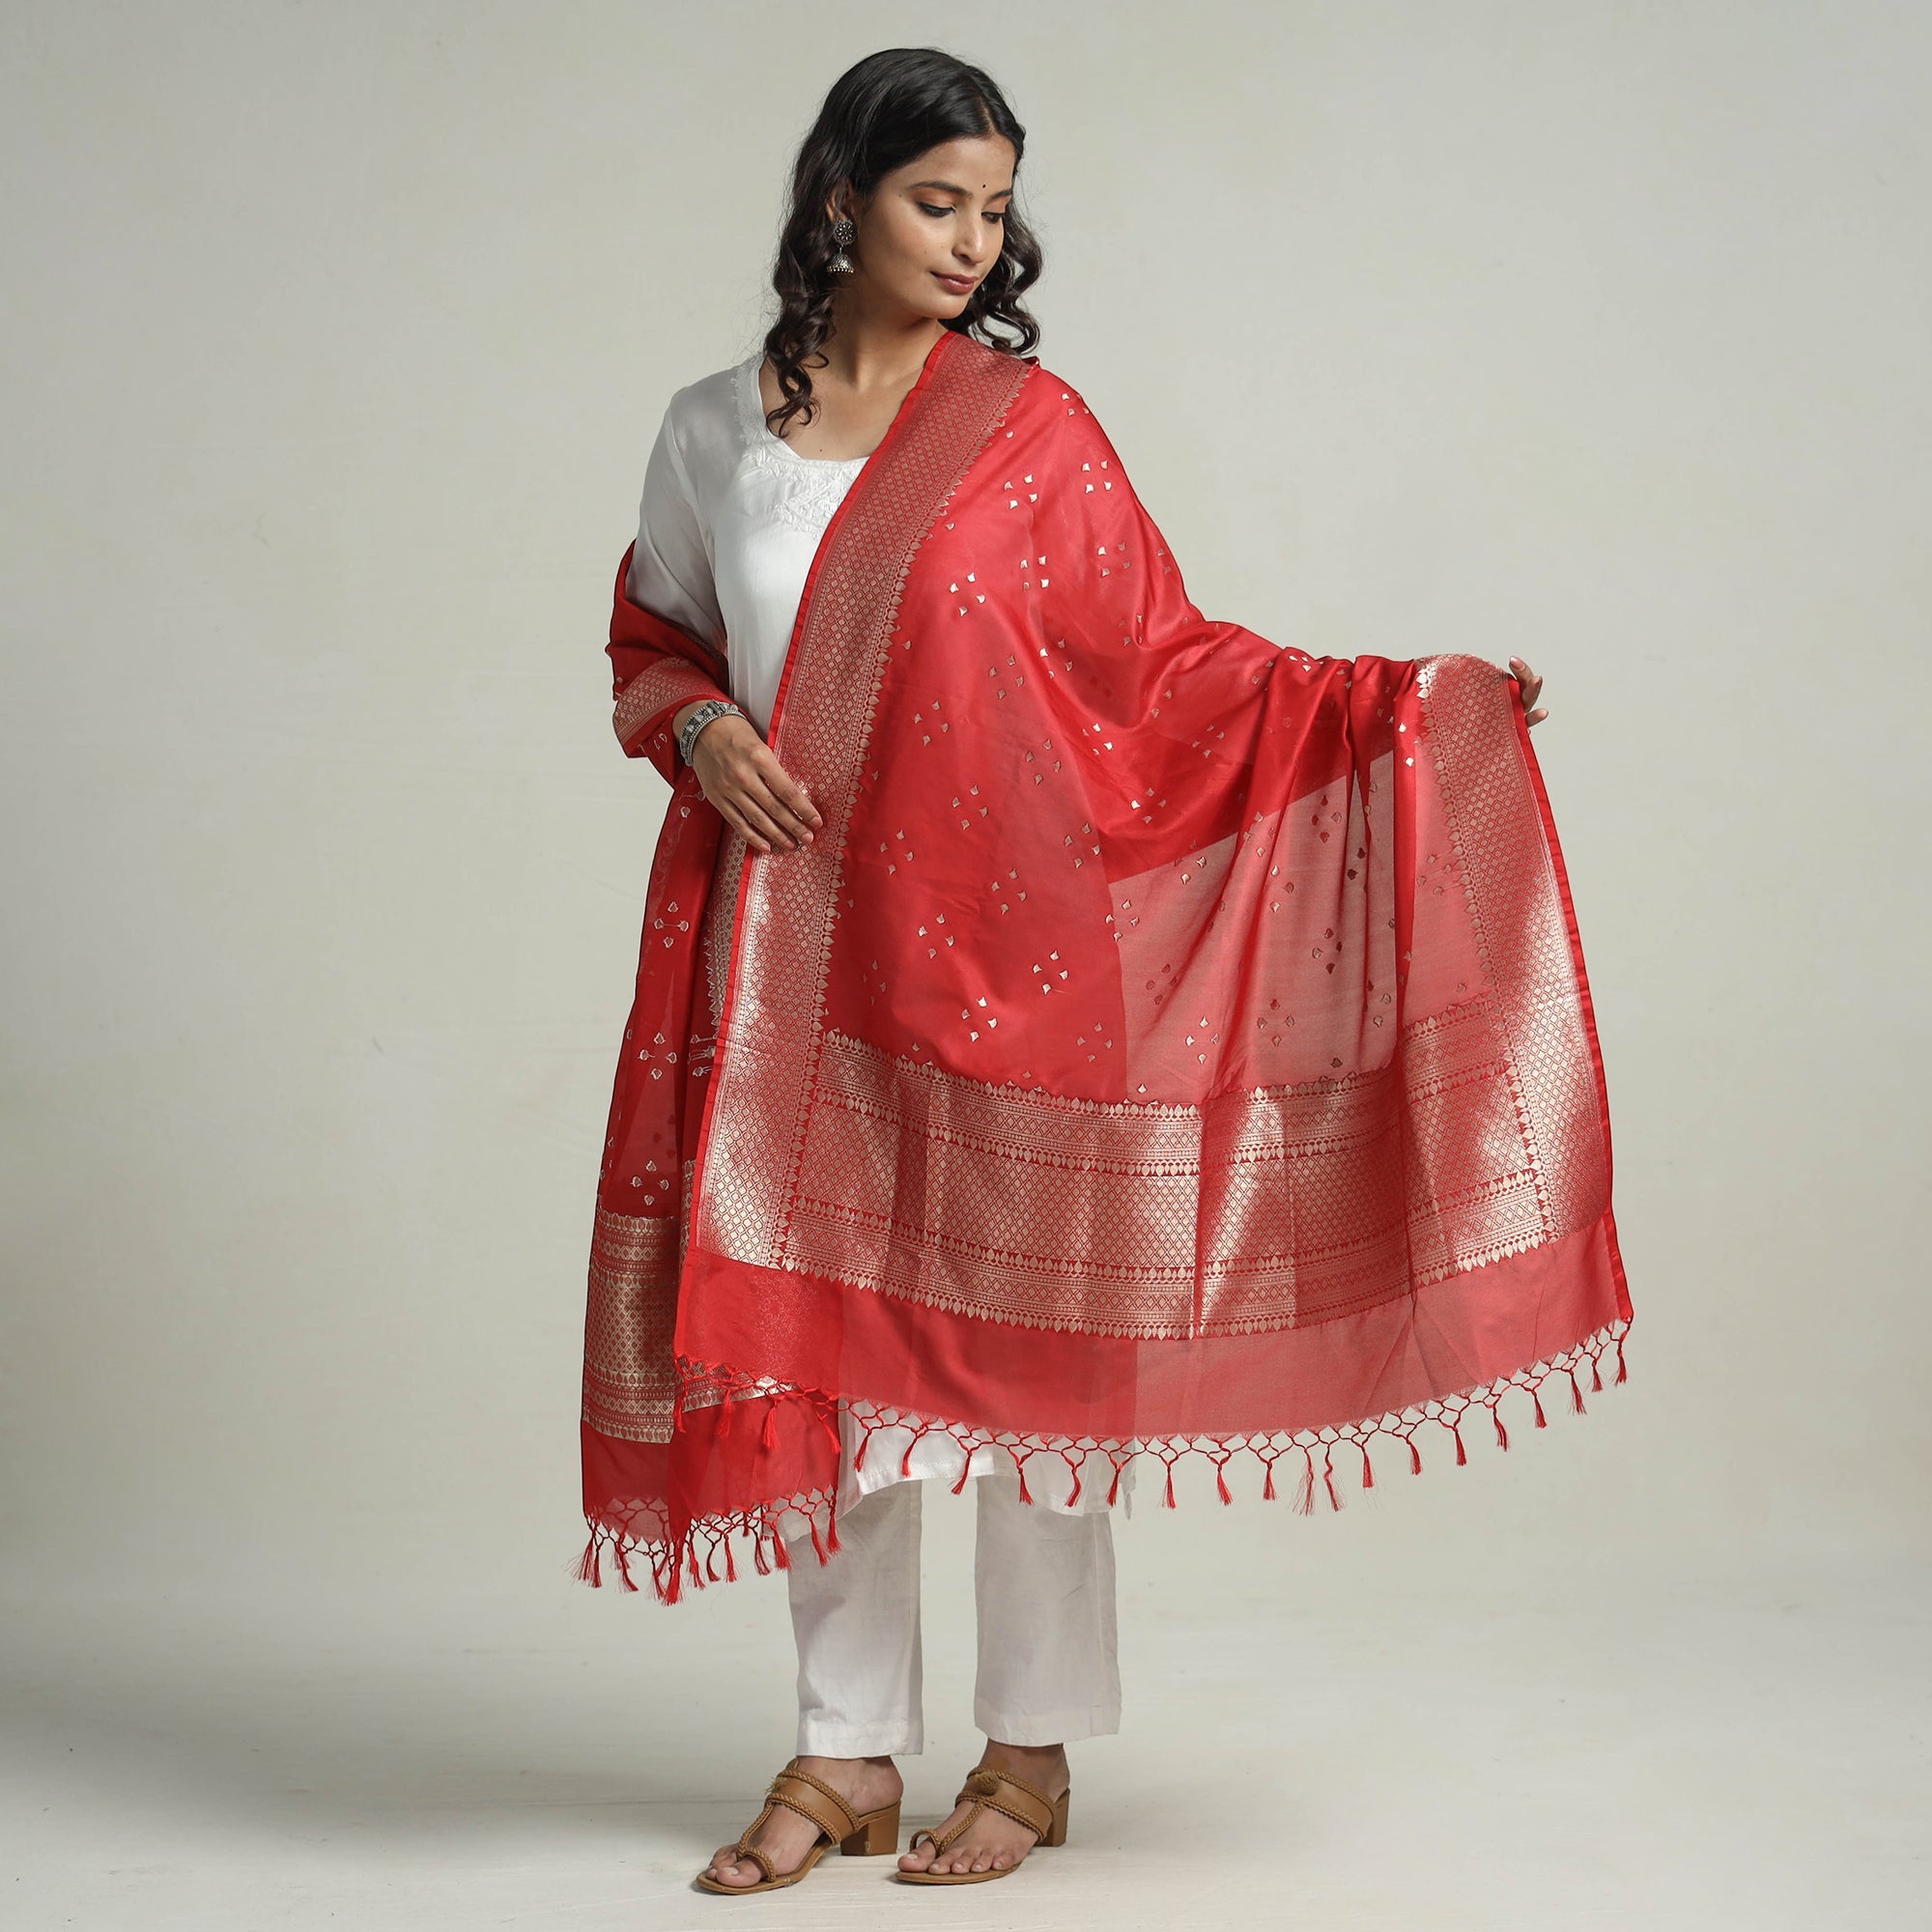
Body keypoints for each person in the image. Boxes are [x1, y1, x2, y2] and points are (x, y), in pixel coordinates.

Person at [577, 46, 1627, 1895]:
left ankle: (1032, 1751)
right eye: (937, 203)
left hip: (1017, 958)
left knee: (1022, 1374)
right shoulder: (711, 430)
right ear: (838, 198)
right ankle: (843, 1752)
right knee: (827, 1360)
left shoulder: (1031, 434)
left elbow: (1173, 670)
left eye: (996, 209)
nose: (974, 242)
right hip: (798, 969)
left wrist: (1407, 708)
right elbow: (653, 641)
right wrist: (697, 729)